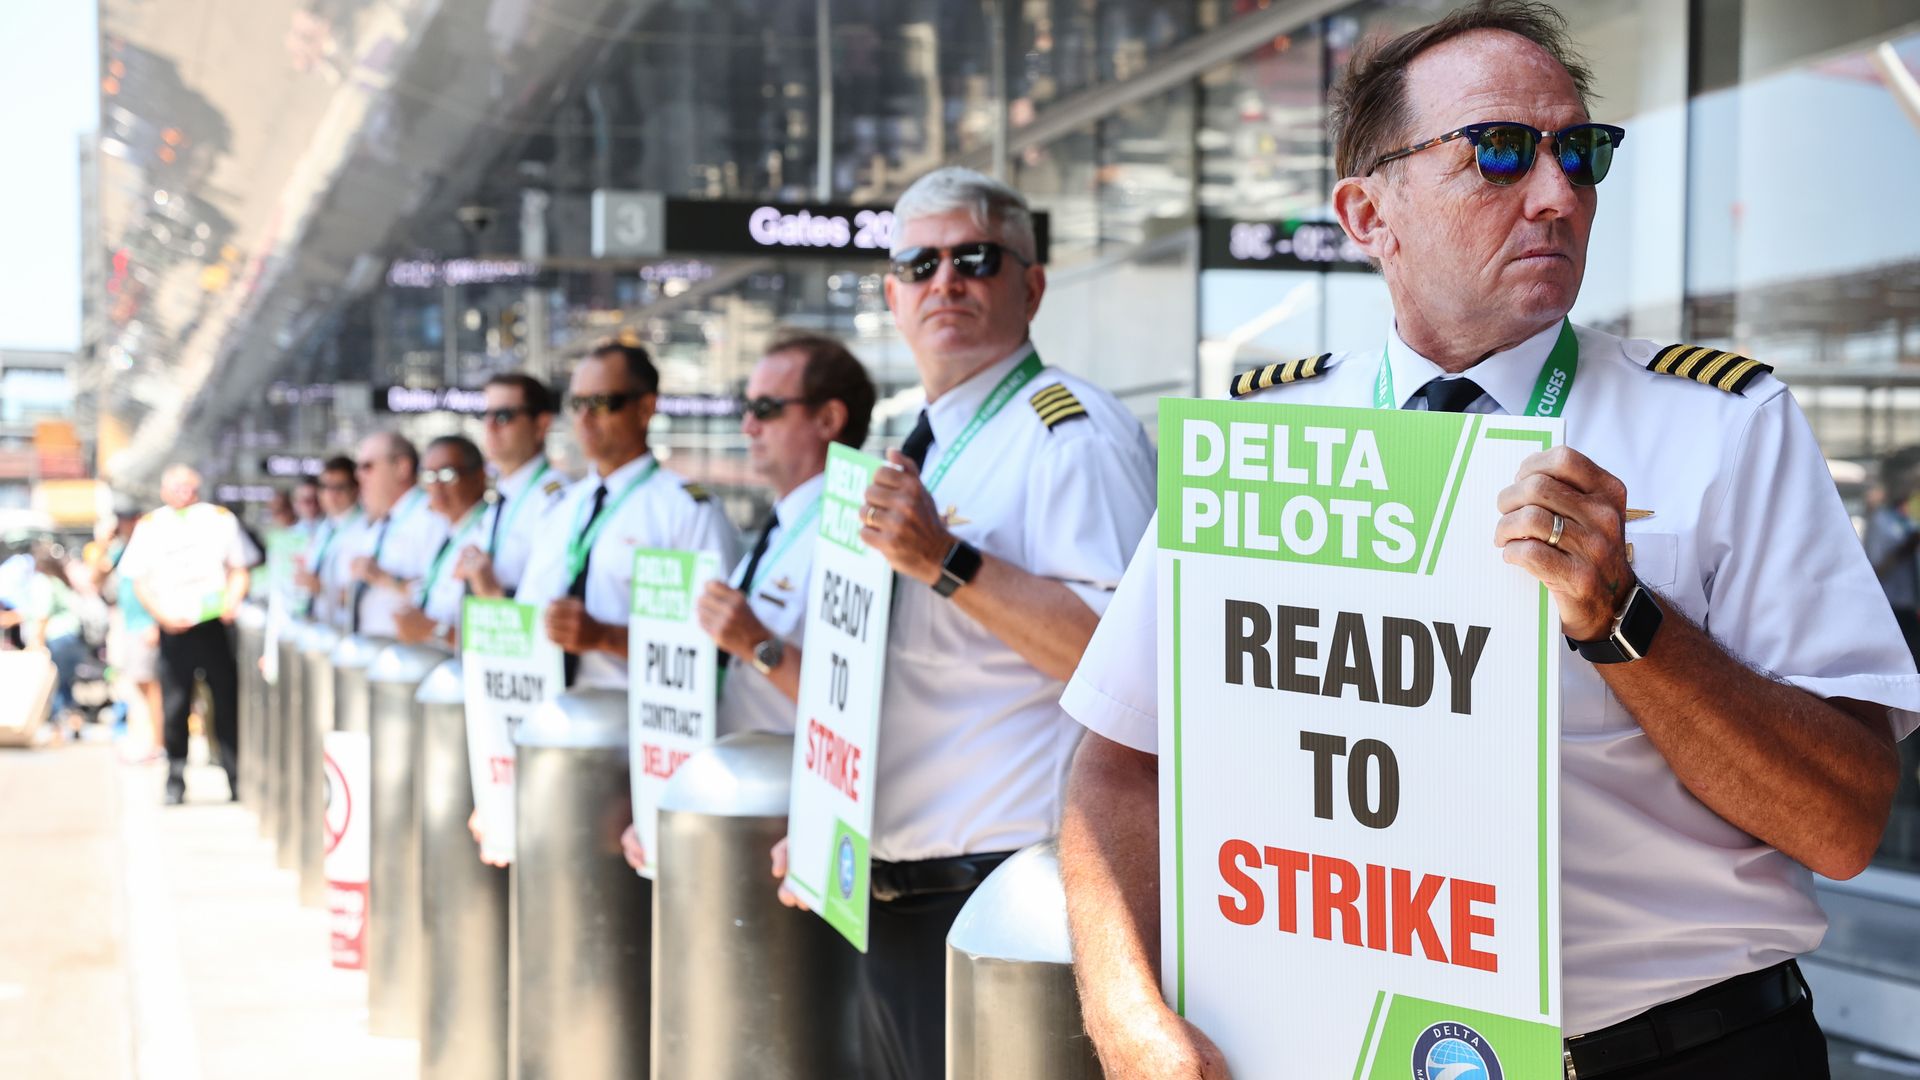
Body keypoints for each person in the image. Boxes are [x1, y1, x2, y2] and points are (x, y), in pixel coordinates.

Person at [1057, 5, 1920, 1078]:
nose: (1558, 195)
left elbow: (1841, 825)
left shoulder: (1719, 426)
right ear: (1370, 213)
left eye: (1581, 152)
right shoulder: (1269, 439)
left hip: (1675, 1050)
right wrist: (1129, 1022)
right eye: (1500, 153)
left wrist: (1628, 622)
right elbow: (1122, 759)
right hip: (1343, 1042)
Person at [764, 166, 1156, 1080]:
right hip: (885, 894)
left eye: (976, 258)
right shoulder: (908, 446)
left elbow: (1127, 670)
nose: (947, 281)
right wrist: (822, 818)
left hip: (1006, 901)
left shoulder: (1071, 433)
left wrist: (951, 562)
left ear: (1032, 285)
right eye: (921, 262)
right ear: (894, 294)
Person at [619, 330, 877, 871]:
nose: (748, 426)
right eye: (746, 407)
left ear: (829, 420)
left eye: (766, 408)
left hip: (790, 817)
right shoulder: (785, 525)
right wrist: (659, 803)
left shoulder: (858, 535)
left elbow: (861, 706)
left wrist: (757, 643)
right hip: (735, 803)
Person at [514, 340, 740, 690]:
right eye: (577, 403)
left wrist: (606, 637)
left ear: (645, 408)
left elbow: (719, 646)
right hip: (550, 720)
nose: (585, 418)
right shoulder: (561, 508)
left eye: (602, 403)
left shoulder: (686, 511)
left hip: (636, 727)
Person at [117, 465, 260, 804]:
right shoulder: (152, 526)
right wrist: (161, 617)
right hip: (173, 628)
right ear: (164, 489)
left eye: (188, 486)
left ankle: (235, 777)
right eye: (175, 486)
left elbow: (240, 568)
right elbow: (138, 581)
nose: (183, 492)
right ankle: (175, 779)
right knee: (174, 706)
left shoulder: (218, 519)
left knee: (225, 704)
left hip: (212, 625)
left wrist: (232, 600)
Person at [452, 373, 569, 602]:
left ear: (541, 425)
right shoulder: (502, 496)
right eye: (484, 415)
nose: (490, 426)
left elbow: (553, 599)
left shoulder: (556, 497)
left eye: (504, 416)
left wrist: (494, 591)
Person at [328, 433, 445, 638]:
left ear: (402, 467)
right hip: (374, 651)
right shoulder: (382, 522)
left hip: (413, 657)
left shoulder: (432, 518)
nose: (359, 476)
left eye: (367, 466)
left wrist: (387, 579)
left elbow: (444, 596)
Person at [393, 435, 491, 647]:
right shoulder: (446, 531)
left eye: (447, 475)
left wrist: (435, 631)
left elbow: (500, 633)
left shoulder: (489, 532)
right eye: (428, 476)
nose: (436, 486)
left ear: (479, 476)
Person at [295, 456, 358, 624]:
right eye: (325, 487)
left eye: (339, 487)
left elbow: (365, 595)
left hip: (345, 628)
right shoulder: (325, 529)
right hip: (320, 625)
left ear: (354, 489)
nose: (331, 494)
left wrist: (322, 588)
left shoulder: (365, 529)